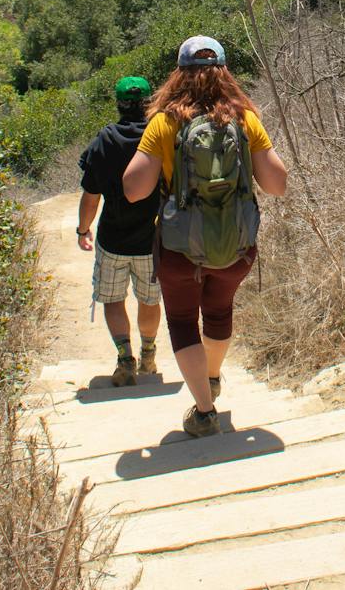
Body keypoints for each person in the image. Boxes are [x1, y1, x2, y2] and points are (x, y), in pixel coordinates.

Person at [123, 36, 287, 437]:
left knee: (182, 321)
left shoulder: (165, 122)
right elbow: (278, 183)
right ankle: (211, 376)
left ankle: (204, 409)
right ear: (225, 73)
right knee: (219, 311)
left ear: (179, 74)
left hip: (180, 249)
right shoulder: (245, 120)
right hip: (235, 246)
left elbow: (133, 188)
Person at [78, 76, 162, 387]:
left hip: (113, 239)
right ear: (149, 102)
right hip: (152, 240)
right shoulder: (161, 137)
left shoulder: (105, 140)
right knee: (150, 301)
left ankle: (125, 357)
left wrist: (82, 229)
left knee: (113, 299)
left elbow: (91, 195)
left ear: (119, 103)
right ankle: (149, 353)